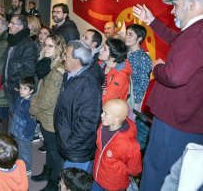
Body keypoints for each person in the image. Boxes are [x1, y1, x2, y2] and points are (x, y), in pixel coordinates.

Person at [132, 0, 203, 190]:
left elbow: (174, 76)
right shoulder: (194, 32)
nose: (172, 11)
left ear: (192, 4)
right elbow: (175, 38)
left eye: (176, 5)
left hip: (176, 123)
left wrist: (158, 67)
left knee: (157, 170)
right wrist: (151, 21)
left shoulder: (197, 35)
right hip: (182, 120)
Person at [54, 40, 103, 189]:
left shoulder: (88, 85)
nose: (64, 58)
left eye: (67, 56)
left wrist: (69, 144)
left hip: (76, 150)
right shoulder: (72, 74)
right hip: (68, 142)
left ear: (76, 61)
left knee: (71, 185)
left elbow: (88, 123)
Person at [30, 34, 66, 188]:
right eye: (45, 44)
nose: (46, 48)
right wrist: (35, 103)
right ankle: (48, 172)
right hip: (44, 116)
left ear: (59, 49)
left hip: (51, 117)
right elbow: (41, 89)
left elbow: (50, 99)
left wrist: (34, 108)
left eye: (50, 46)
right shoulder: (48, 64)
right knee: (49, 148)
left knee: (55, 152)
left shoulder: (57, 70)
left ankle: (54, 182)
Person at [91, 99, 142, 190]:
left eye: (106, 113)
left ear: (117, 118)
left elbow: (134, 170)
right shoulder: (102, 126)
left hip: (114, 186)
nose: (101, 115)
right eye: (103, 112)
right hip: (97, 177)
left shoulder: (129, 145)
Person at [2, 14, 38, 119]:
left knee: (19, 119)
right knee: (13, 116)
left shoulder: (28, 45)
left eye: (12, 23)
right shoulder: (12, 40)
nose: (9, 25)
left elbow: (29, 70)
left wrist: (17, 86)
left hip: (17, 89)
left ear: (21, 26)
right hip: (9, 86)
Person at [9, 76, 37, 175]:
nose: (21, 90)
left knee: (25, 151)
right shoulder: (20, 99)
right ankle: (20, 164)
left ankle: (27, 168)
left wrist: (27, 133)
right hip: (17, 131)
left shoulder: (31, 104)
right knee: (19, 149)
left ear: (31, 90)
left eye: (25, 88)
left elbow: (32, 121)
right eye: (21, 88)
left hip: (24, 133)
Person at [124, 24, 152, 111]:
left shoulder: (143, 58)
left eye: (131, 34)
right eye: (126, 33)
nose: (127, 37)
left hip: (131, 100)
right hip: (121, 93)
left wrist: (134, 104)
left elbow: (143, 83)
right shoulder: (126, 53)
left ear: (139, 38)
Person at [98, 38, 132, 104]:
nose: (100, 50)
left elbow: (107, 99)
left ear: (113, 56)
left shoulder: (121, 75)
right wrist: (98, 91)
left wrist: (94, 92)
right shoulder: (100, 64)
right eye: (102, 47)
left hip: (108, 110)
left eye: (104, 49)